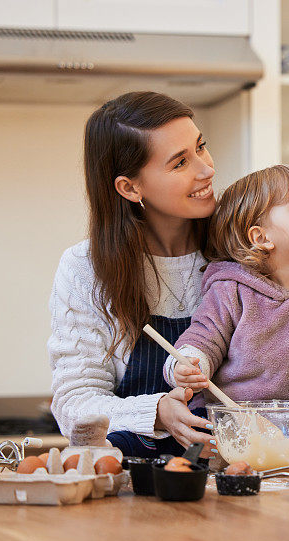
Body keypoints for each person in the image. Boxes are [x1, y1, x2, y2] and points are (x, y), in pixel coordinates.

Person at [48, 91, 218, 459]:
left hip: (234, 476)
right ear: (130, 187)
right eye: (180, 163)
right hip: (132, 488)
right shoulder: (86, 268)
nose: (207, 170)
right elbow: (74, 403)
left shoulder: (238, 249)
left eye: (201, 147)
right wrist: (156, 411)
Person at [163, 164, 289, 408]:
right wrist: (189, 362)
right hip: (234, 419)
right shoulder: (230, 288)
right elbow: (205, 336)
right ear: (261, 238)